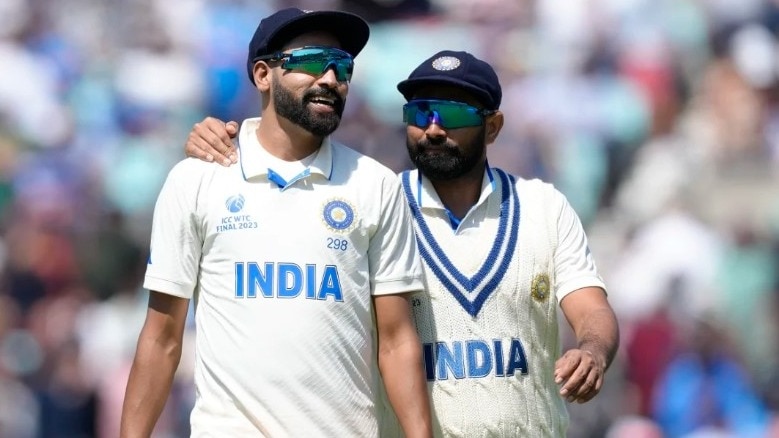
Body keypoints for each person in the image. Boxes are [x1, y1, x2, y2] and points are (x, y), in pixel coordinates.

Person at [185, 50, 620, 437]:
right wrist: (225, 138)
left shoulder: (543, 206)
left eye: (450, 115)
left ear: (493, 127)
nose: (431, 130)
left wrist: (592, 352)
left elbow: (591, 308)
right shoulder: (374, 201)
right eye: (419, 113)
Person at [120, 7, 432, 438]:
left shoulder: (375, 185)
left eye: (341, 67)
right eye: (308, 62)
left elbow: (397, 341)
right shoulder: (197, 179)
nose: (329, 80)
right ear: (263, 74)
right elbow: (161, 338)